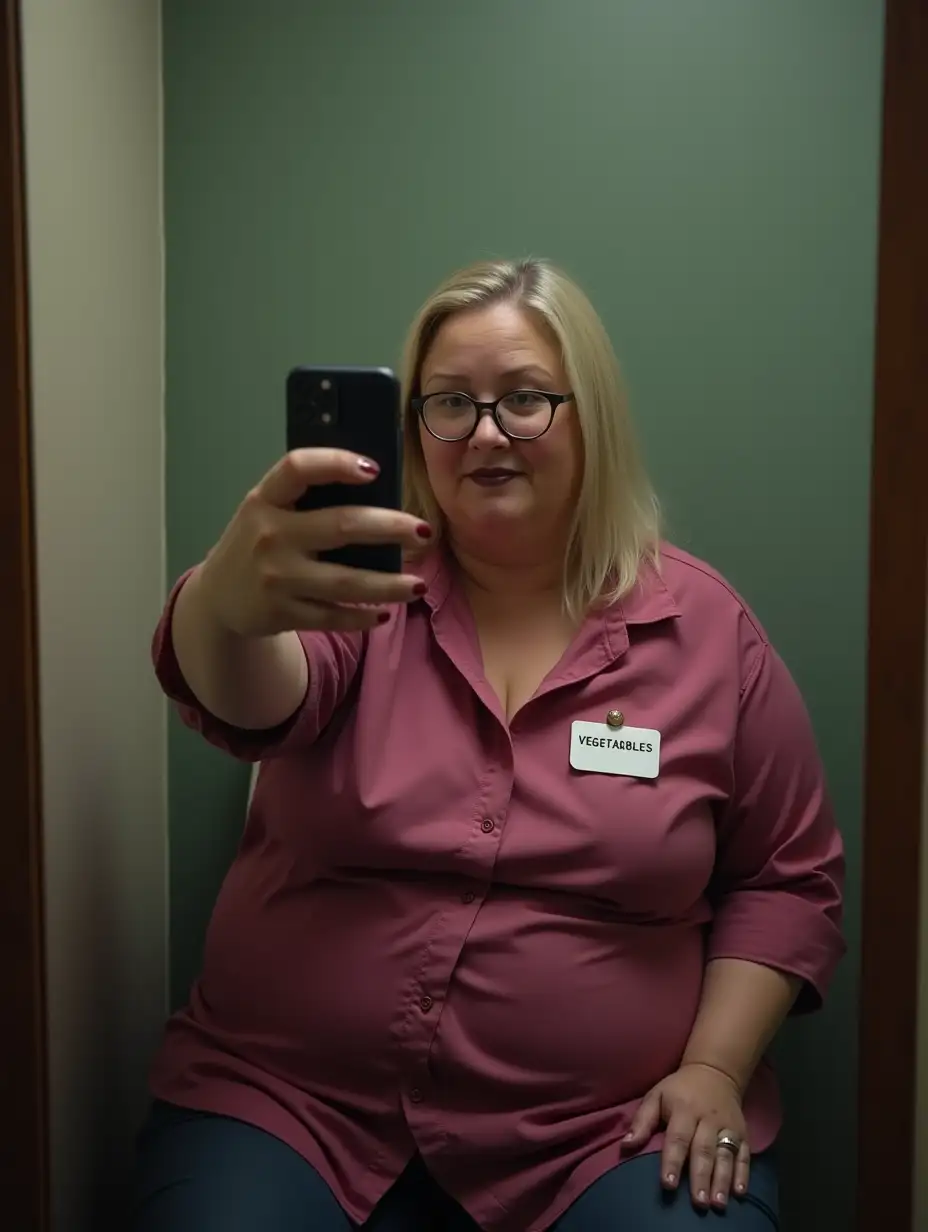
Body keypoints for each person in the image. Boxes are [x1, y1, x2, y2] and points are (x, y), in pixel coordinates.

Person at [134, 258, 844, 1231]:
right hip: (293, 1104)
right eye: (449, 404)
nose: (484, 432)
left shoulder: (709, 635)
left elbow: (786, 881)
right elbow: (255, 702)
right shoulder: (351, 593)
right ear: (414, 430)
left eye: (523, 399)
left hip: (602, 1134)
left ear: (588, 415)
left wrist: (714, 1068)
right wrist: (222, 604)